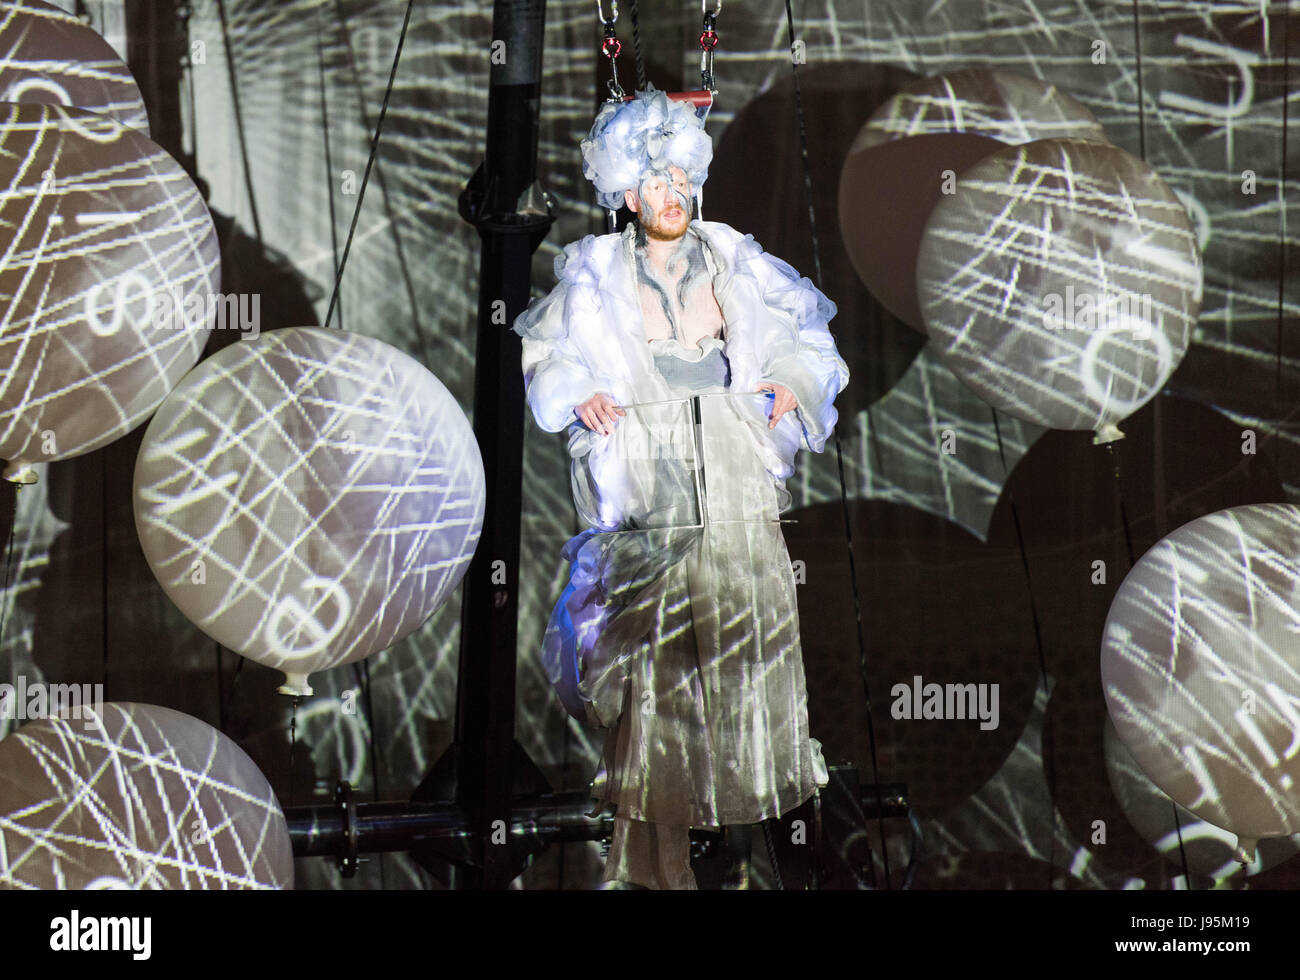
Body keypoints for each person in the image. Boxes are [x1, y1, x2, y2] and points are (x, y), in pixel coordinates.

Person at [513, 85, 849, 888]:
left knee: (749, 647)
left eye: (680, 178)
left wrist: (785, 390)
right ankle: (656, 871)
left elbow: (806, 333)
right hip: (649, 470)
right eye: (654, 181)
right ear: (627, 194)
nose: (672, 194)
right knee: (658, 672)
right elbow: (549, 355)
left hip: (731, 465)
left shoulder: (733, 256)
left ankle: (786, 860)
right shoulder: (597, 271)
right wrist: (577, 394)